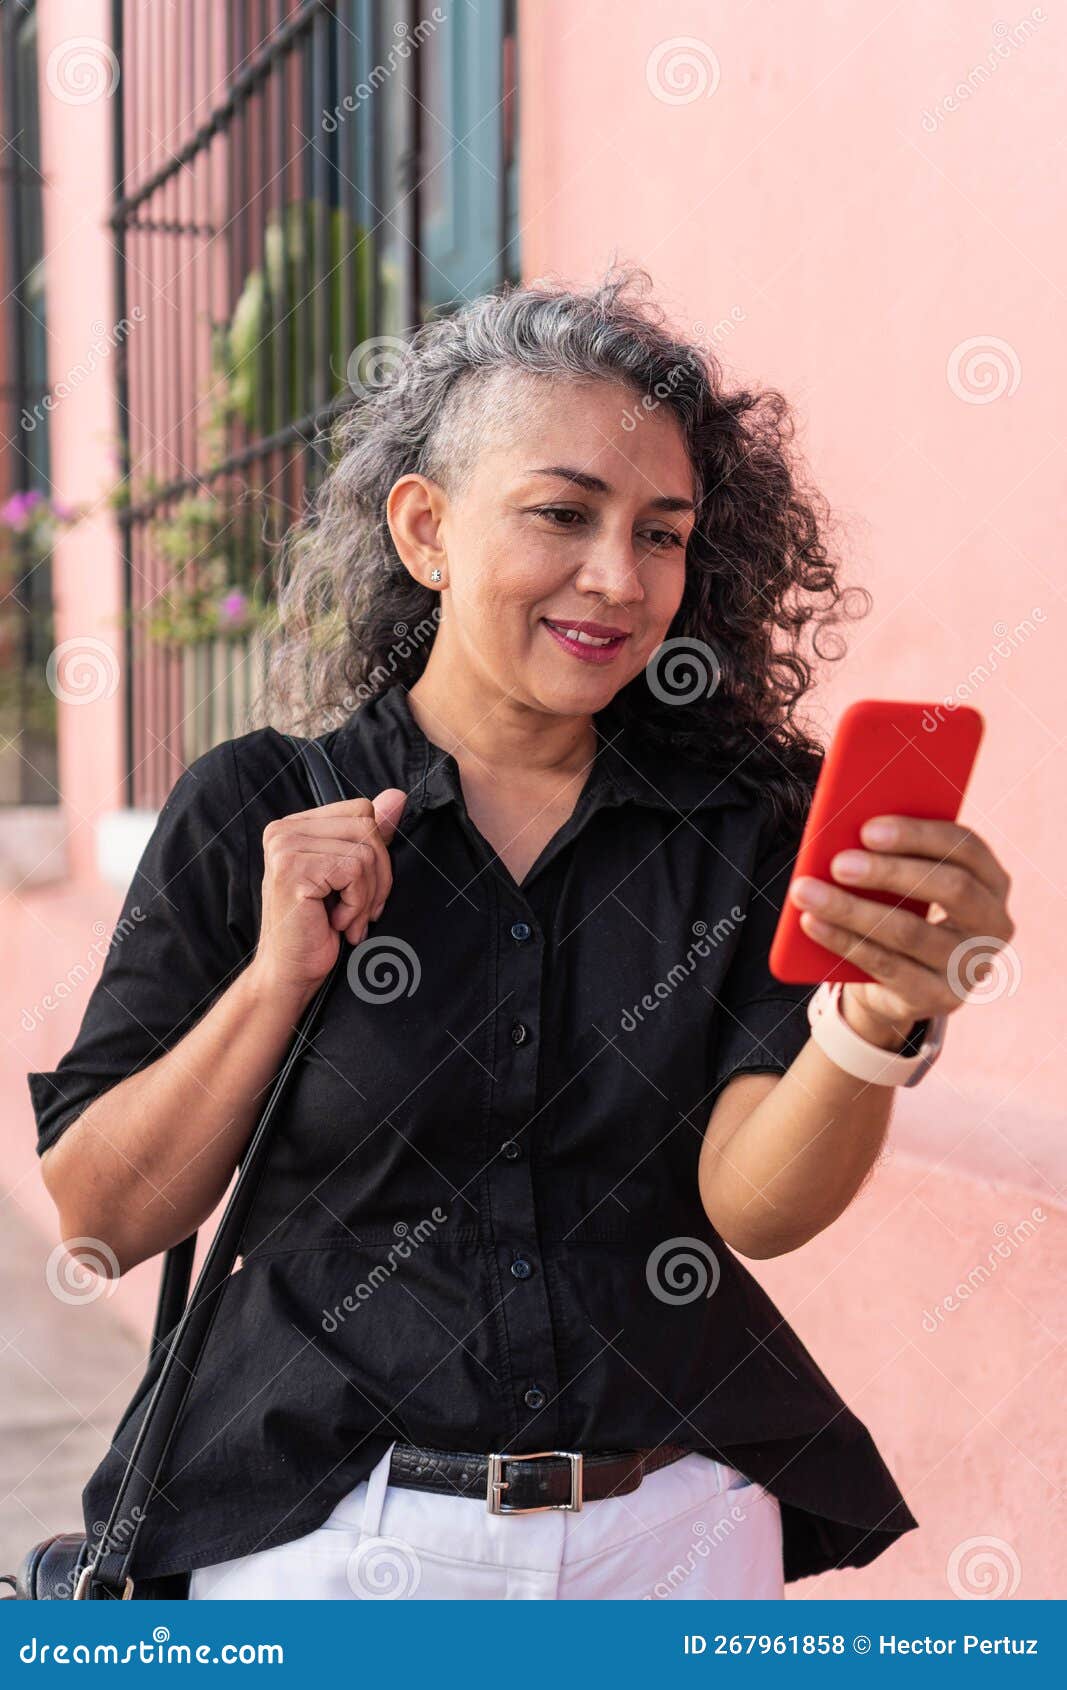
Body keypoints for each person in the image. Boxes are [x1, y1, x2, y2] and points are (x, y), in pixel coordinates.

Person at [28, 267, 1015, 1600]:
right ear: (426, 529)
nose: (618, 579)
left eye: (662, 532)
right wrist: (276, 980)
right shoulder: (258, 804)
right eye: (563, 512)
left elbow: (756, 1205)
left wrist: (876, 1017)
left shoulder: (739, 827)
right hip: (324, 1545)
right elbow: (104, 1212)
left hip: (675, 1536)